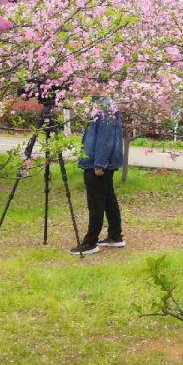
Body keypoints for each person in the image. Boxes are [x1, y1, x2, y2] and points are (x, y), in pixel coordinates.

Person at [69, 96, 125, 255]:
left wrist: (99, 163)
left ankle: (90, 242)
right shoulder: (105, 105)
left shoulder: (104, 107)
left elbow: (104, 137)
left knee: (96, 202)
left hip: (97, 162)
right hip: (103, 161)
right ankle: (115, 236)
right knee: (108, 198)